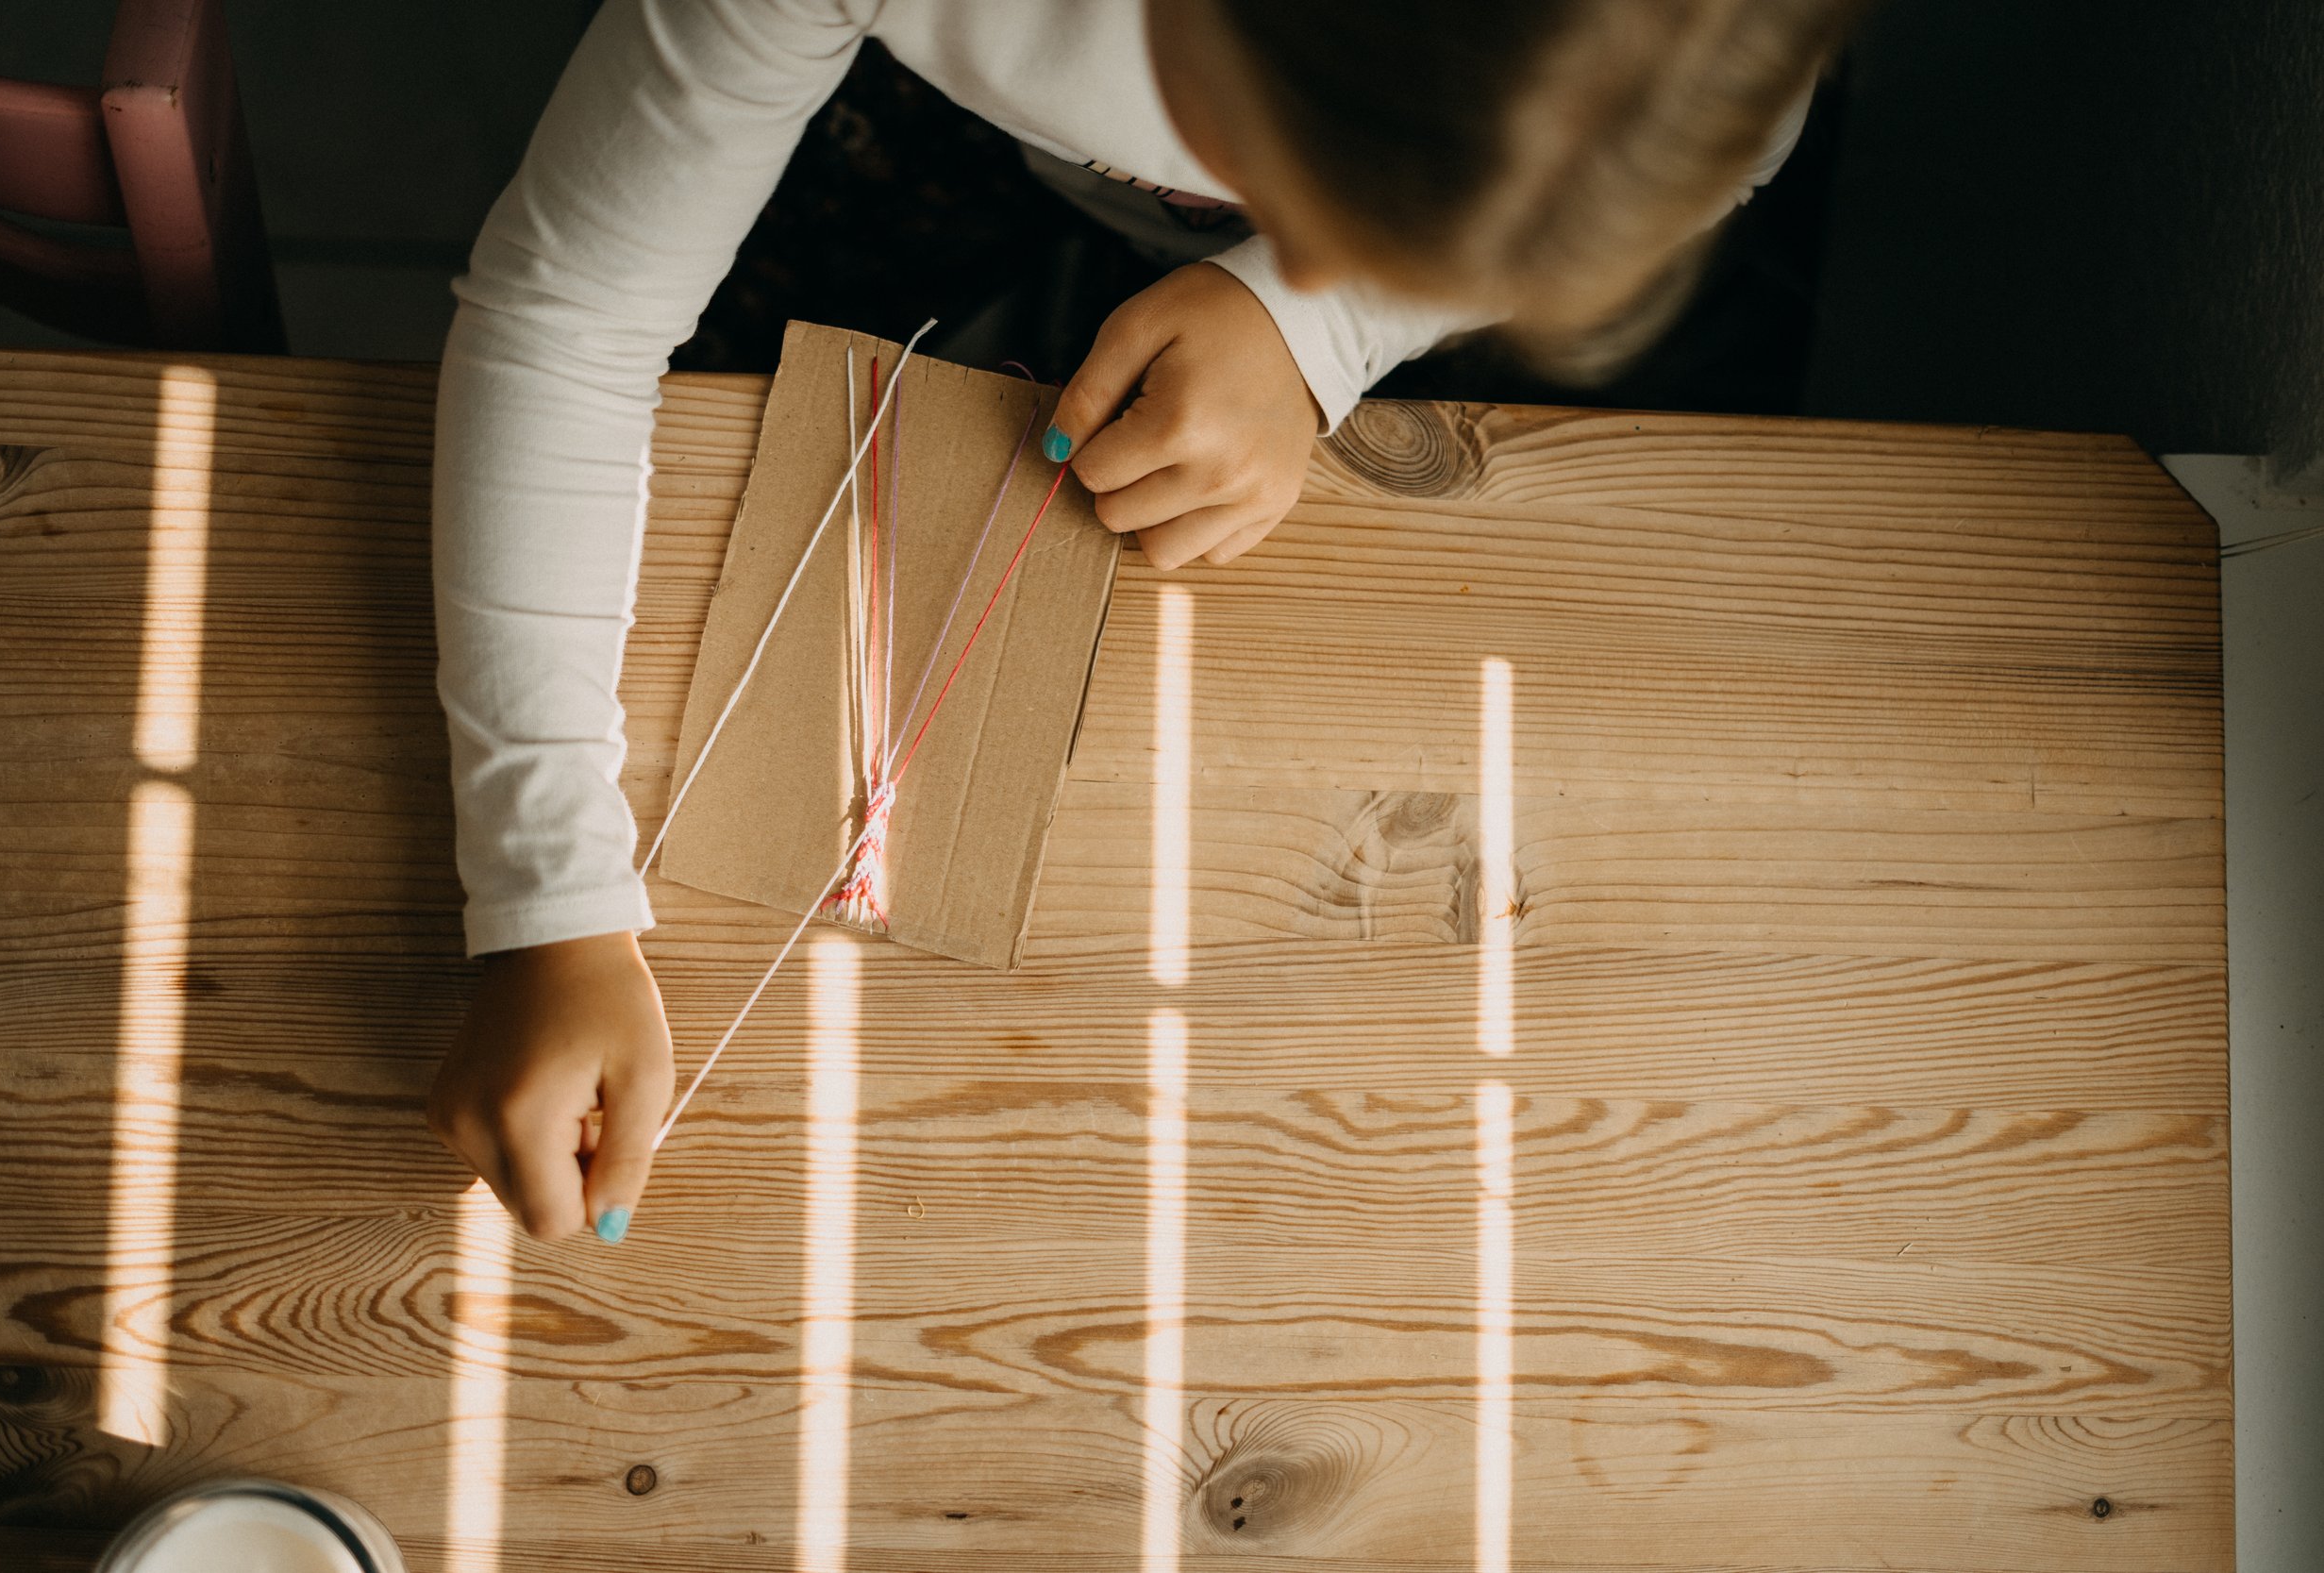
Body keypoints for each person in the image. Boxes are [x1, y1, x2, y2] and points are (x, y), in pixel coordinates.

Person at [426, 0, 1857, 1241]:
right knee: (746, 407)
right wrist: (549, 899)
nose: (1301, 234)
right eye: (1289, 184)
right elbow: (575, 316)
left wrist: (1327, 327)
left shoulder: (1662, 60)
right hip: (923, 114)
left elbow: (1743, 153)